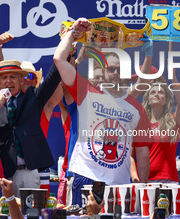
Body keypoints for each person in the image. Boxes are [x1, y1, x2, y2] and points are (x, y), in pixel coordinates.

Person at [53, 18, 151, 206]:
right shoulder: (86, 91)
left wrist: (142, 189)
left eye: (119, 69)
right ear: (104, 71)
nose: (115, 73)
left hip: (119, 187)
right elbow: (59, 59)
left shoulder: (137, 108)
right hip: (84, 179)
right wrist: (73, 33)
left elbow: (142, 152)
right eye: (111, 69)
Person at [0, 59, 61, 197]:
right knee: (5, 215)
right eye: (4, 78)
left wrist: (65, 54)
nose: (8, 81)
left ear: (21, 80)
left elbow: (53, 78)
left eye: (13, 77)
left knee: (31, 214)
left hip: (28, 173)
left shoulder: (33, 97)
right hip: (3, 174)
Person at [142, 70, 180, 183]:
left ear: (166, 99)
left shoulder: (173, 122)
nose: (156, 94)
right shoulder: (140, 123)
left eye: (161, 92)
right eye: (152, 92)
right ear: (148, 99)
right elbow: (132, 156)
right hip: (144, 180)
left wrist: (174, 78)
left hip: (168, 180)